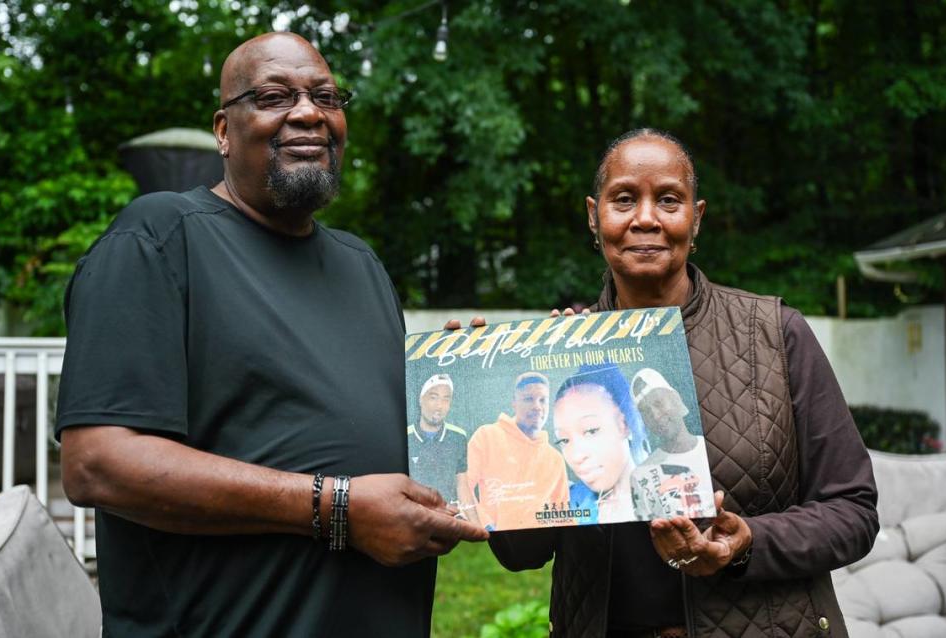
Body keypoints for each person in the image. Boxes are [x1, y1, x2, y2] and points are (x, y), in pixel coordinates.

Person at [55, 32, 486, 638]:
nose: (308, 112)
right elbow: (99, 463)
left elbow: (393, 437)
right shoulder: (159, 237)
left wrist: (477, 380)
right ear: (224, 131)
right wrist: (338, 509)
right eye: (275, 96)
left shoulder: (360, 265)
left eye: (326, 97)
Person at [488, 128, 878, 637]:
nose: (645, 218)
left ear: (696, 219)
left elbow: (853, 511)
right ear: (593, 215)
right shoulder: (558, 357)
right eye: (624, 199)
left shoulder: (775, 335)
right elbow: (521, 553)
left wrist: (748, 542)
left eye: (668, 200)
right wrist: (492, 397)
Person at [466, 372, 571, 530]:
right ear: (514, 403)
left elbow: (564, 517)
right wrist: (485, 524)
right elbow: (462, 487)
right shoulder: (486, 436)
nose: (537, 407)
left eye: (543, 400)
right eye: (528, 399)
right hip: (494, 545)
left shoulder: (555, 459)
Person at [552, 364, 648, 523]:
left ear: (624, 425)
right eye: (564, 440)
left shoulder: (673, 490)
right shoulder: (563, 503)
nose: (577, 456)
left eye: (591, 431)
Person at [628, 368, 714, 520]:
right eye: (646, 412)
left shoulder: (713, 449)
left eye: (658, 403)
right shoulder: (641, 476)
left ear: (676, 399)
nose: (655, 415)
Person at [407, 373, 475, 520]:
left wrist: (477, 525)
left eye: (446, 399)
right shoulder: (406, 437)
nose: (439, 405)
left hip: (450, 519)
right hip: (416, 520)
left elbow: (462, 485)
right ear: (421, 399)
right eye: (433, 397)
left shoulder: (458, 436)